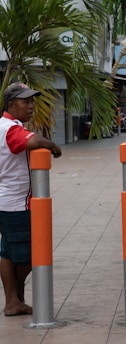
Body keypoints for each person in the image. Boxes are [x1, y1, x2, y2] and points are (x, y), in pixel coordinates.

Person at [0, 82, 62, 316]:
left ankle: (14, 299)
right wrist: (52, 145)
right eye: (25, 102)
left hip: (6, 201)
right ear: (11, 104)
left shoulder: (4, 126)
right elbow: (33, 141)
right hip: (16, 204)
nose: (31, 106)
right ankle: (13, 298)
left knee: (7, 251)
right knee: (30, 253)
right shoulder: (11, 129)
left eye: (31, 101)